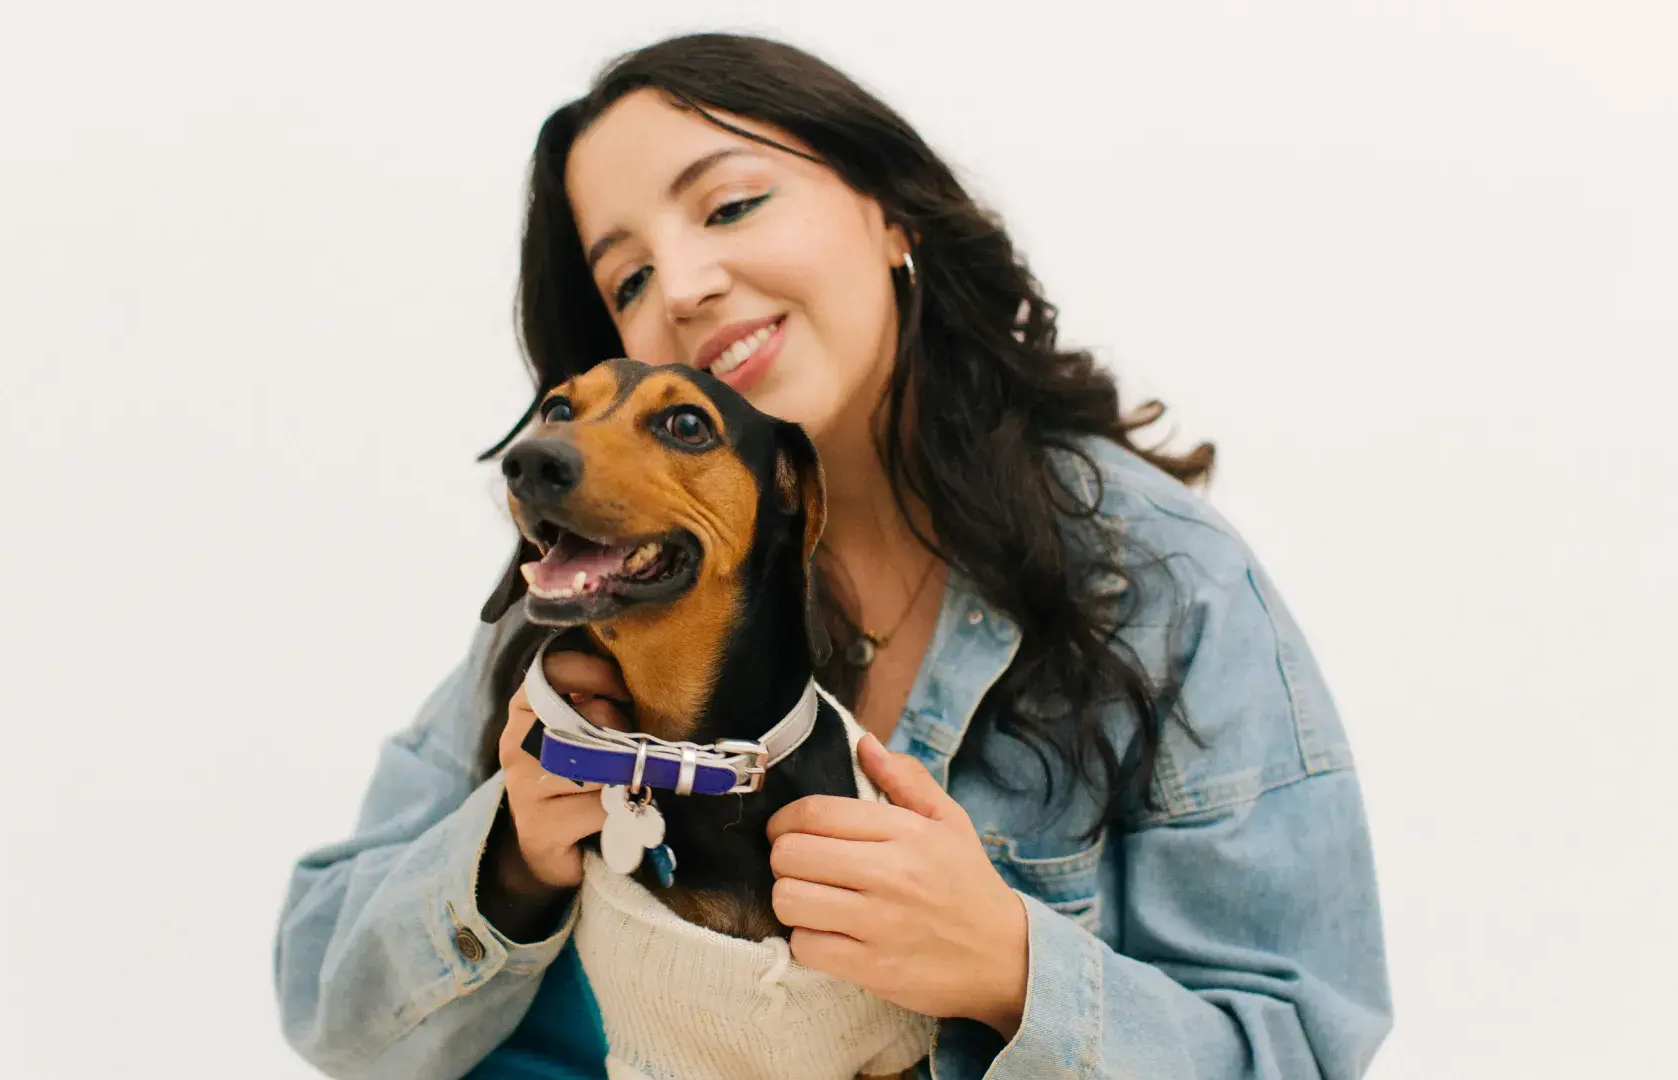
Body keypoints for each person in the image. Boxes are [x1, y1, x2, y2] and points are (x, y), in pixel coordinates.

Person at [274, 30, 1392, 1080]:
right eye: (626, 280)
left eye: (733, 204)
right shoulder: (598, 590)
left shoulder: (1164, 583)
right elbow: (327, 1003)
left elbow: (1300, 1045)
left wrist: (1011, 968)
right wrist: (509, 858)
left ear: (891, 214)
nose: (684, 286)